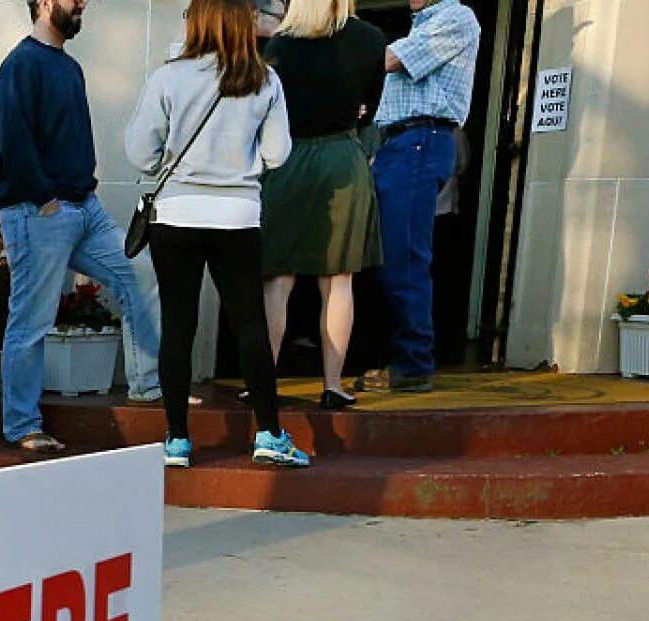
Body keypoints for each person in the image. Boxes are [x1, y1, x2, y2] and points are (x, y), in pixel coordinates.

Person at [124, 0, 309, 469]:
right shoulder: (265, 79)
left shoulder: (168, 77)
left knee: (178, 327)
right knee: (249, 324)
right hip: (237, 215)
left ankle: (177, 441)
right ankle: (268, 432)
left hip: (178, 213)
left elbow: (139, 153)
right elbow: (278, 153)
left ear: (199, 22)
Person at [0, 0, 162, 453]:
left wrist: (80, 196)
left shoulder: (68, 66)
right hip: (39, 211)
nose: (82, 3)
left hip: (85, 208)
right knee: (31, 320)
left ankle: (148, 384)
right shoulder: (20, 64)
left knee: (138, 272)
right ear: (45, 3)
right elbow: (13, 139)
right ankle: (22, 425)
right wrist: (45, 200)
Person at [260, 0, 385, 409]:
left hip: (287, 159)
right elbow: (370, 109)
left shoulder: (278, 46)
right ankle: (333, 385)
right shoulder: (370, 39)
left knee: (278, 278)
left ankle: (263, 380)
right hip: (342, 160)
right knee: (339, 281)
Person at [360, 0, 480, 393]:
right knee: (387, 257)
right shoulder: (422, 23)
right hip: (402, 142)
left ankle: (412, 363)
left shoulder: (454, 17)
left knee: (404, 258)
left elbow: (390, 61)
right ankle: (398, 357)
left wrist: (333, 51)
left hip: (420, 140)